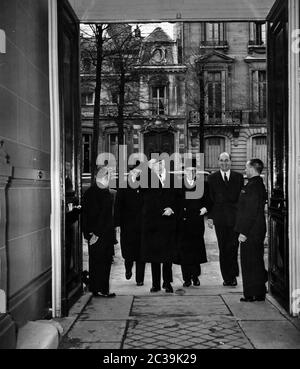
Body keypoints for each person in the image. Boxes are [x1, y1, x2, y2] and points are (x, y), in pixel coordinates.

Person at [140, 158, 180, 293]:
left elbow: (179, 197)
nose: (159, 166)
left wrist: (172, 209)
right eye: (156, 164)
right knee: (154, 256)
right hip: (153, 223)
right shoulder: (147, 180)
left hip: (169, 222)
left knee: (168, 255)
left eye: (162, 163)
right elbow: (146, 200)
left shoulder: (173, 179)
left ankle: (167, 283)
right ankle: (155, 284)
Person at [207, 152, 244, 287]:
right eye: (222, 160)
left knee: (233, 247)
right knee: (223, 248)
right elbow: (210, 199)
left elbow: (242, 200)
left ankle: (233, 275)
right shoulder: (212, 178)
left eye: (226, 160)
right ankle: (226, 277)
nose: (224, 163)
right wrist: (210, 217)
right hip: (220, 219)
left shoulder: (238, 177)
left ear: (230, 162)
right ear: (218, 162)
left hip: (235, 219)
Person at [235, 159, 268, 302]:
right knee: (256, 261)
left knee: (249, 262)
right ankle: (259, 292)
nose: (245, 170)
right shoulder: (257, 185)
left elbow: (250, 212)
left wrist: (244, 232)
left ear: (253, 169)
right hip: (256, 229)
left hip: (251, 231)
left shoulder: (253, 186)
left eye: (246, 168)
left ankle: (251, 294)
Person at [81, 168, 116, 298]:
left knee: (101, 261)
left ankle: (98, 288)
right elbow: (95, 215)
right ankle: (101, 289)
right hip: (99, 234)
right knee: (101, 262)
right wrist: (94, 234)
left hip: (102, 234)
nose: (110, 179)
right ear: (102, 178)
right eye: (109, 177)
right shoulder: (95, 193)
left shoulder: (98, 192)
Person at [177, 167, 212, 287]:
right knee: (184, 251)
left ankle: (195, 276)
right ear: (184, 172)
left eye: (193, 171)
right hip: (183, 222)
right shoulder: (179, 185)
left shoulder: (202, 184)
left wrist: (205, 208)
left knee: (196, 249)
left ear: (196, 172)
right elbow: (176, 202)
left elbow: (209, 200)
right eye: (188, 170)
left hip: (196, 222)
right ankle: (186, 278)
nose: (190, 173)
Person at [114, 166, 146, 286]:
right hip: (127, 224)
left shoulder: (143, 185)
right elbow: (118, 205)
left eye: (139, 172)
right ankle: (128, 268)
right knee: (128, 251)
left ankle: (140, 279)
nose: (137, 174)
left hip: (141, 224)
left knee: (141, 251)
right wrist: (117, 223)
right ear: (130, 172)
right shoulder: (123, 185)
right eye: (135, 171)